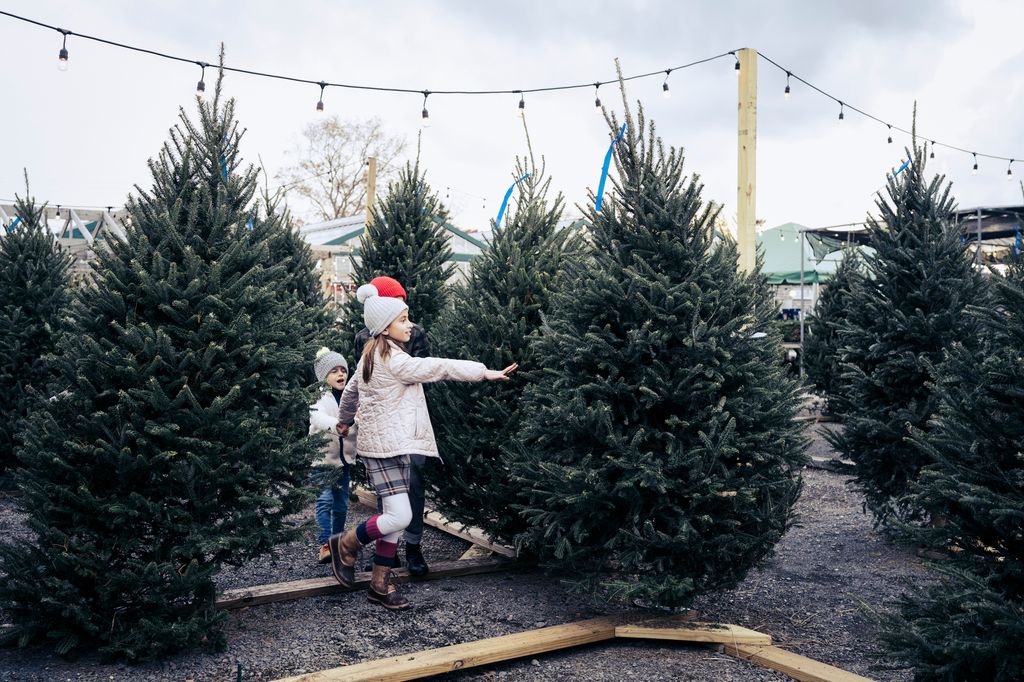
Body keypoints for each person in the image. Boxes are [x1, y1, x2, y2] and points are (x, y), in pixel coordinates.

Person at [329, 283, 516, 610]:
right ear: (384, 327)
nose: (410, 325)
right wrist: (483, 372)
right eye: (403, 320)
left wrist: (344, 421)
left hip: (391, 445)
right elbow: (438, 367)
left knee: (393, 515)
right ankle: (346, 543)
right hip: (385, 448)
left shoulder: (370, 355)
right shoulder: (395, 361)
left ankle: (379, 584)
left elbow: (351, 394)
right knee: (400, 515)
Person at [352, 276, 430, 576]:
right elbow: (362, 380)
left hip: (410, 421)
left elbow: (425, 374)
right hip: (382, 423)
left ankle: (414, 546)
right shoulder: (363, 338)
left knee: (415, 481)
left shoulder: (416, 334)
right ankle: (388, 550)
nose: (401, 309)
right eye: (395, 302)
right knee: (389, 487)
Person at [308, 347, 355, 564]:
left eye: (342, 370)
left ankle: (338, 541)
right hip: (323, 461)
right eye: (334, 371)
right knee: (324, 500)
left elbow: (358, 419)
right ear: (324, 377)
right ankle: (325, 544)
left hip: (343, 462)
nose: (340, 374)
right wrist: (335, 425)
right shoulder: (319, 398)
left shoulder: (350, 397)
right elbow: (317, 418)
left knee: (341, 504)